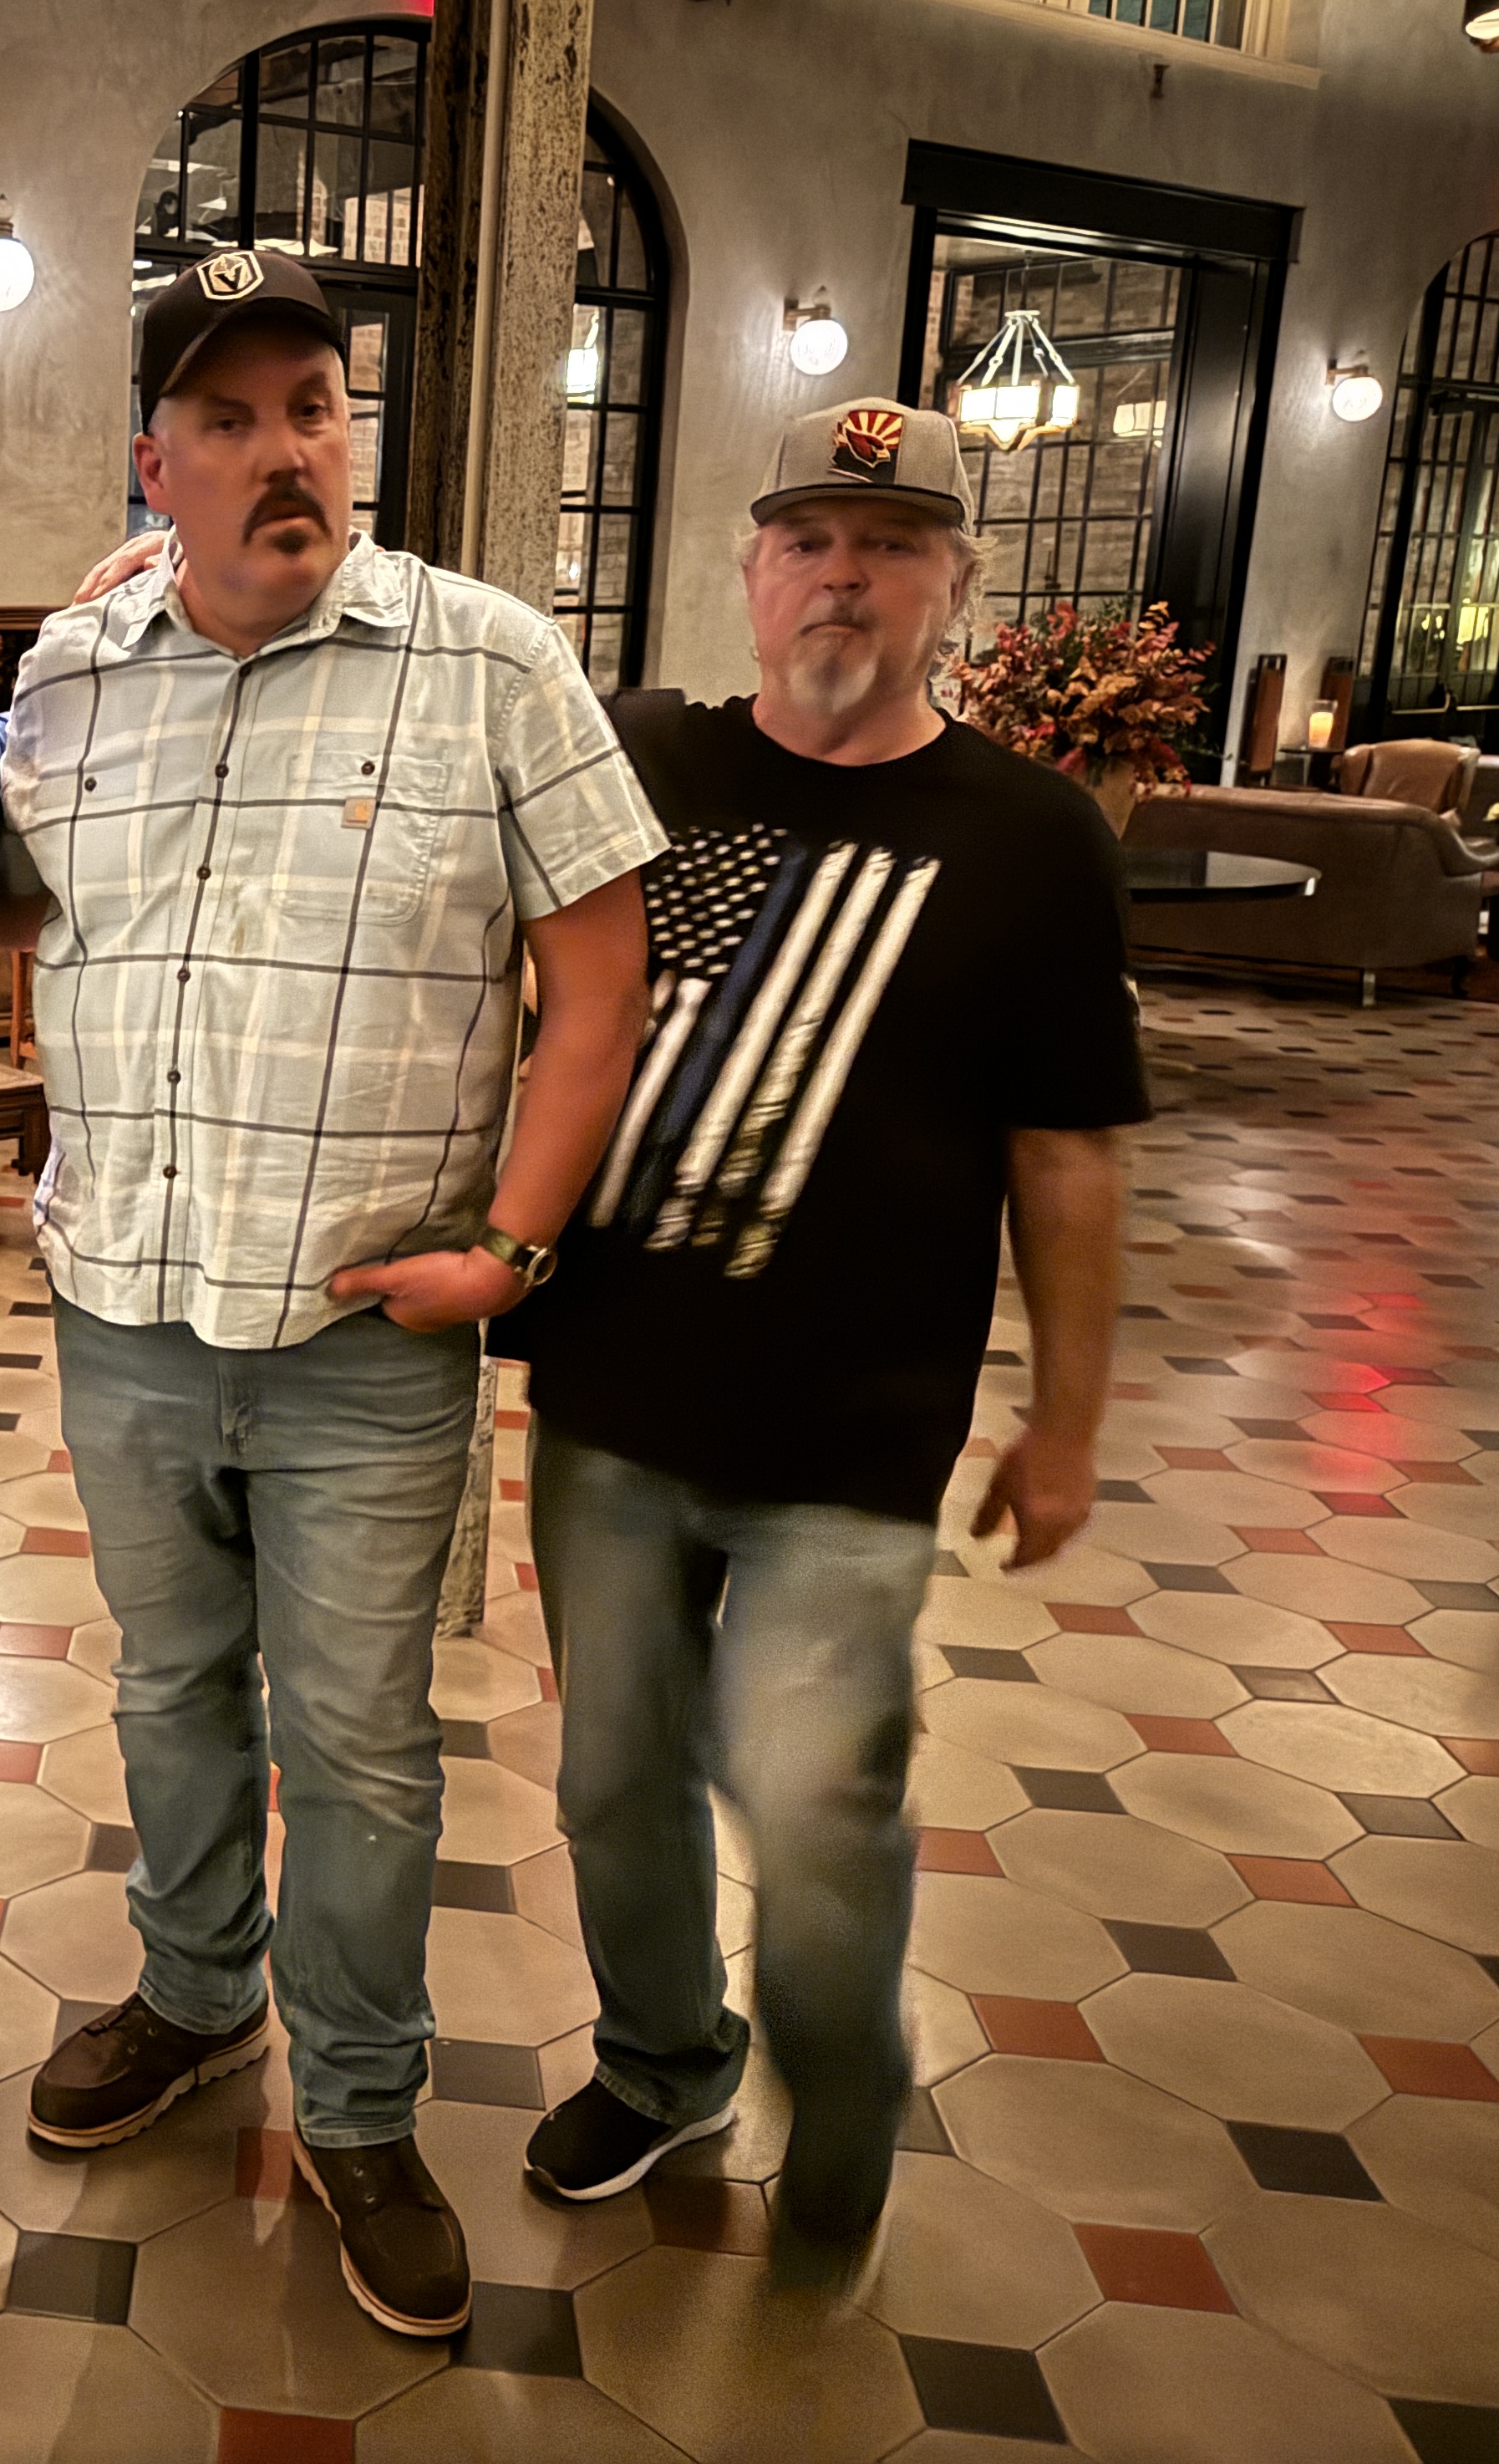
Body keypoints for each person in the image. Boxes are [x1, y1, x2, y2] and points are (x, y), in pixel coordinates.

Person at [0, 248, 665, 2339]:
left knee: (363, 1749)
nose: (285, 452)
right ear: (156, 464)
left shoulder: (490, 663)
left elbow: (601, 986)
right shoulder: (71, 673)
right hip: (126, 1311)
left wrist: (514, 1248)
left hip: (367, 1338)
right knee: (168, 1694)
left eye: (314, 407)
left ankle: (362, 2109)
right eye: (231, 419)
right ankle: (197, 1997)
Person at [489, 399, 1146, 2273]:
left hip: (850, 1438)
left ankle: (842, 2079)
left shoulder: (1030, 838)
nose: (842, 576)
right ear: (752, 568)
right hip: (615, 1395)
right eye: (807, 539)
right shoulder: (642, 758)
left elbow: (1068, 1157)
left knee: (807, 1793)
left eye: (890, 542)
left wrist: (1066, 1423)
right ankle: (663, 2059)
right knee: (612, 1774)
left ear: (953, 584)